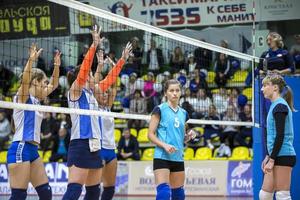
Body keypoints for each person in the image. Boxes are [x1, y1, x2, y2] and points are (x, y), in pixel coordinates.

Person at [6, 43, 61, 200]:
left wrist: (56, 66)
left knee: (46, 193)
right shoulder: (22, 97)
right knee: (19, 196)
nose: (46, 87)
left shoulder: (37, 100)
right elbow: (25, 80)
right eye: (43, 83)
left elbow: (55, 84)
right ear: (35, 82)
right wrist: (31, 60)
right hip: (21, 147)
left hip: (32, 150)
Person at [63, 26, 103, 200]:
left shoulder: (90, 94)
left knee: (94, 192)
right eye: (88, 74)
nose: (90, 75)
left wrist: (120, 60)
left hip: (94, 144)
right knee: (74, 190)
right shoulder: (75, 91)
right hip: (80, 143)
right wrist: (93, 45)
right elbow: (85, 70)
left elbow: (107, 80)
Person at [93, 47, 132, 200]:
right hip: (98, 149)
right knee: (94, 188)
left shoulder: (108, 107)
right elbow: (96, 86)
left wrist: (115, 64)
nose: (104, 94)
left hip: (111, 150)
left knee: (110, 189)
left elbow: (114, 87)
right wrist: (101, 66)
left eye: (106, 92)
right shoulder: (92, 107)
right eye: (102, 92)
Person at [148, 79, 196, 200]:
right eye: (171, 90)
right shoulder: (159, 109)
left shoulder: (184, 113)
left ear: (181, 92)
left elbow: (181, 138)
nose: (174, 93)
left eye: (177, 90)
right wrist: (165, 145)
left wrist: (188, 136)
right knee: (164, 193)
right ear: (166, 93)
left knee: (179, 194)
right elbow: (150, 134)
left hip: (178, 157)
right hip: (162, 156)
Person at [259, 74, 296, 200]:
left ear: (275, 87)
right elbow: (274, 135)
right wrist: (268, 155)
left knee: (282, 196)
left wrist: (272, 159)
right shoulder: (275, 105)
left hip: (283, 155)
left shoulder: (280, 106)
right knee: (264, 195)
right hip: (276, 155)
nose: (262, 89)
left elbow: (280, 135)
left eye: (265, 85)